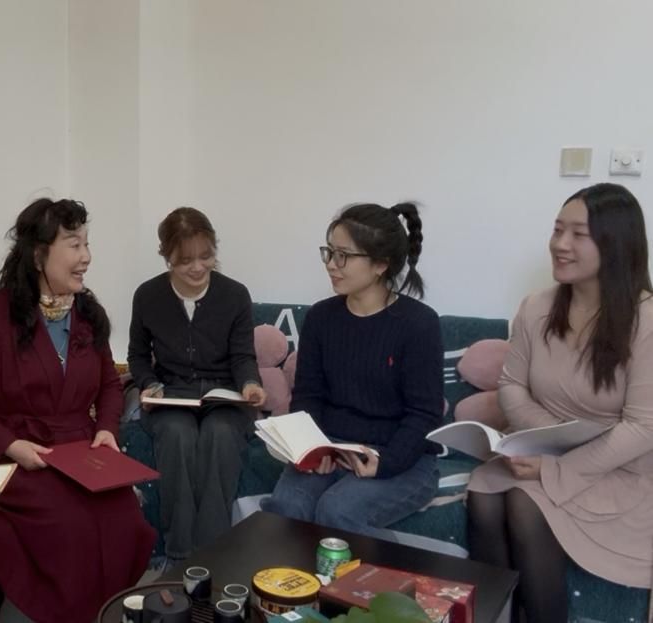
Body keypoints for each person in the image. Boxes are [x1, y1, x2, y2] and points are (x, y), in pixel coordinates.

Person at [0, 198, 155, 623]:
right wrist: (10, 445)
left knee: (126, 521)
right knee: (70, 528)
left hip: (81, 452)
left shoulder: (88, 314)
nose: (87, 257)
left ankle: (101, 613)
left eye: (87, 244)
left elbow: (109, 385)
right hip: (18, 457)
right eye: (74, 245)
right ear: (39, 254)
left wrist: (108, 430)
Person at [467, 183, 653, 623]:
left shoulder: (646, 320)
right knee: (483, 493)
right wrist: (550, 439)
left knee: (524, 504)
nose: (560, 244)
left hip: (617, 471)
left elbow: (643, 428)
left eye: (578, 234)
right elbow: (512, 386)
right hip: (540, 452)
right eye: (557, 230)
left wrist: (559, 465)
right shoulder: (536, 308)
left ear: (616, 244)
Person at [261, 203, 442, 538]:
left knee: (337, 510)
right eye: (329, 252)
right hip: (332, 446)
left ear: (380, 265)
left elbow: (424, 415)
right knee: (288, 506)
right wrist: (313, 446)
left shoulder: (419, 324)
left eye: (343, 255)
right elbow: (309, 395)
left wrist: (386, 462)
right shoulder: (321, 317)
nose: (331, 264)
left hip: (402, 456)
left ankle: (382, 571)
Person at [128, 207, 266, 562]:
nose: (197, 267)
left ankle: (212, 555)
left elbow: (242, 356)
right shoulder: (148, 295)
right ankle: (179, 555)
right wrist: (148, 384)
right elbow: (138, 356)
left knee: (220, 434)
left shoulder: (234, 295)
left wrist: (250, 384)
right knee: (177, 435)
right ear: (167, 257)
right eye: (185, 260)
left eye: (206, 256)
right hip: (171, 395)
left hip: (225, 395)